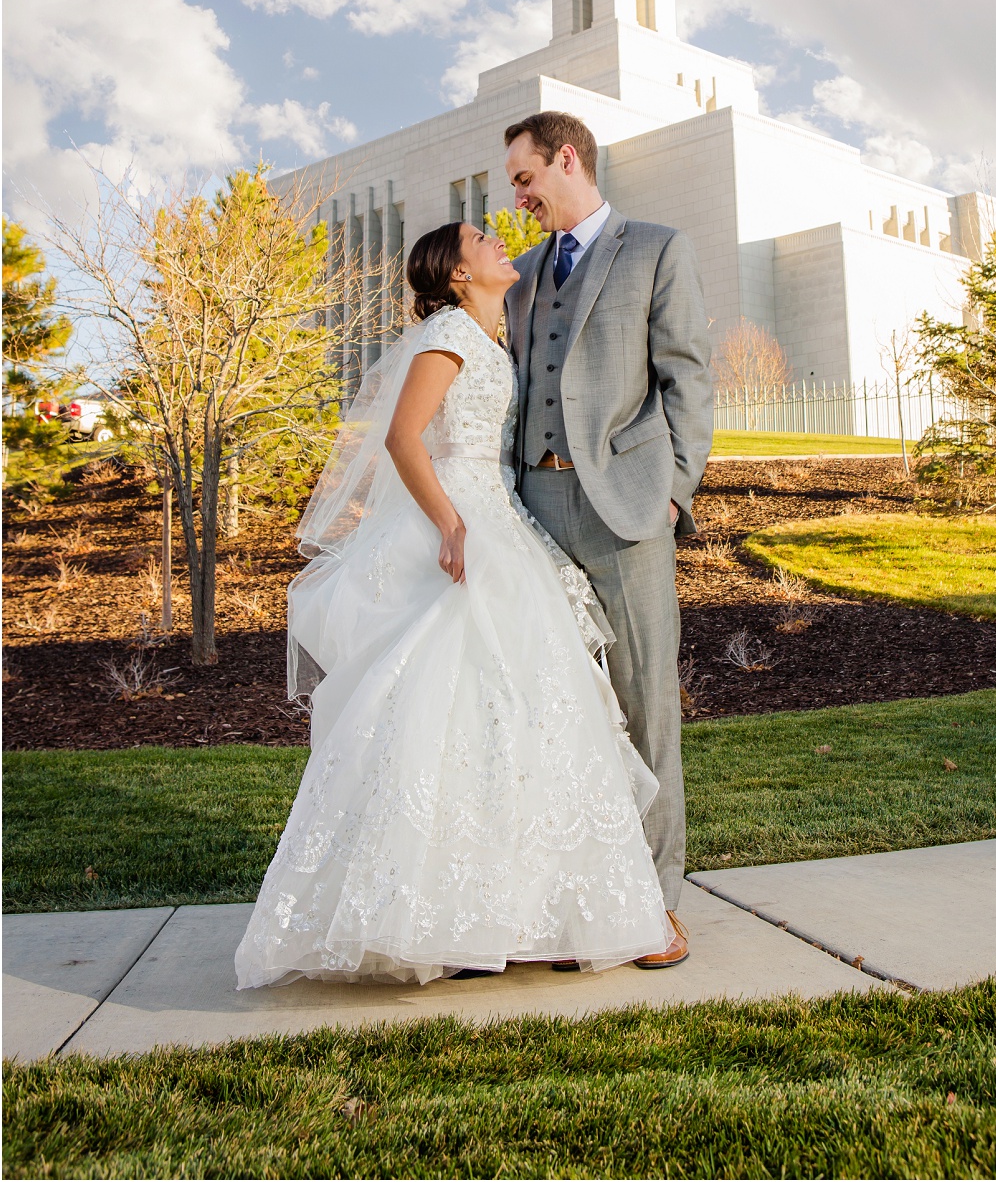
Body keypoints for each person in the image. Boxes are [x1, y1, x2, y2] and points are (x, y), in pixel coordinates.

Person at [234, 219, 671, 989]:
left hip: (500, 515)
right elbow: (404, 438)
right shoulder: (448, 333)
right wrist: (450, 522)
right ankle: (439, 911)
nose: (498, 240)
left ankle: (511, 909)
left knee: (510, 713)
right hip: (466, 520)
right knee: (452, 705)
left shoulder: (486, 333)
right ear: (457, 273)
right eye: (480, 238)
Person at [504, 111, 713, 969]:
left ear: (567, 158)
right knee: (557, 711)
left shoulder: (657, 247)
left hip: (627, 506)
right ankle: (575, 905)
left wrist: (672, 492)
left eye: (524, 179)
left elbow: (688, 377)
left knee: (642, 703)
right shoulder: (515, 275)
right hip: (532, 506)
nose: (516, 197)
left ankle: (657, 907)